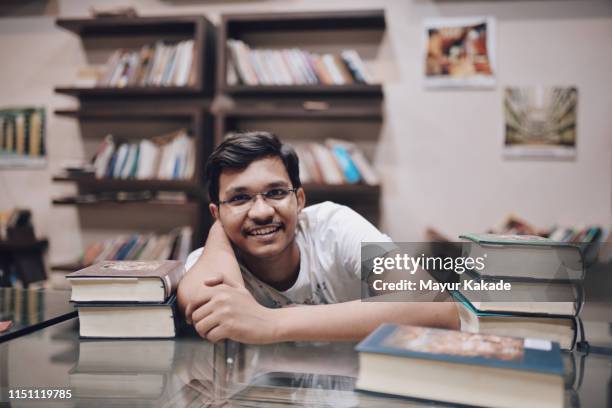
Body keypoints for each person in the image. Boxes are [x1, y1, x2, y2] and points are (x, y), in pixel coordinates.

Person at [177, 131, 459, 344]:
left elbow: (435, 306)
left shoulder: (334, 227)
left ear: (299, 200)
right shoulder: (210, 261)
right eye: (240, 198)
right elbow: (201, 304)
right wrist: (220, 228)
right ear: (216, 213)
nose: (261, 212)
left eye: (276, 193)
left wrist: (272, 323)